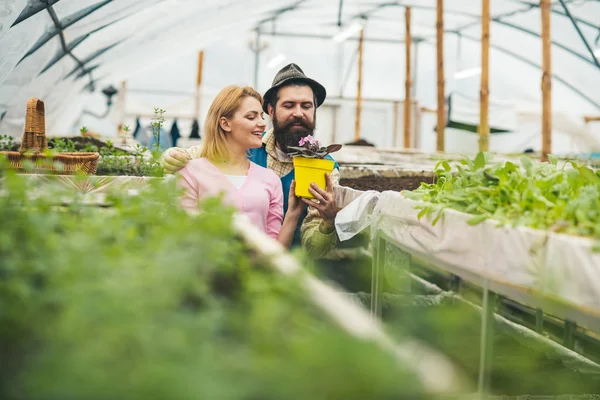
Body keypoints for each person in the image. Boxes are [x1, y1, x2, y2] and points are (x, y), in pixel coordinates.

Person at [163, 63, 341, 258]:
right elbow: (193, 156)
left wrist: (327, 222)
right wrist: (171, 156)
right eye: (289, 105)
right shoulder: (247, 145)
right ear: (271, 111)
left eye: (306, 106)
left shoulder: (325, 168)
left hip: (291, 271)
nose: (298, 113)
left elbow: (315, 250)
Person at [177, 85, 305, 248]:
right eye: (251, 117)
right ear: (225, 124)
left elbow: (274, 250)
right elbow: (183, 237)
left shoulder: (270, 179)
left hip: (255, 272)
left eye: (261, 116)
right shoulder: (190, 173)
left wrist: (293, 214)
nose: (262, 124)